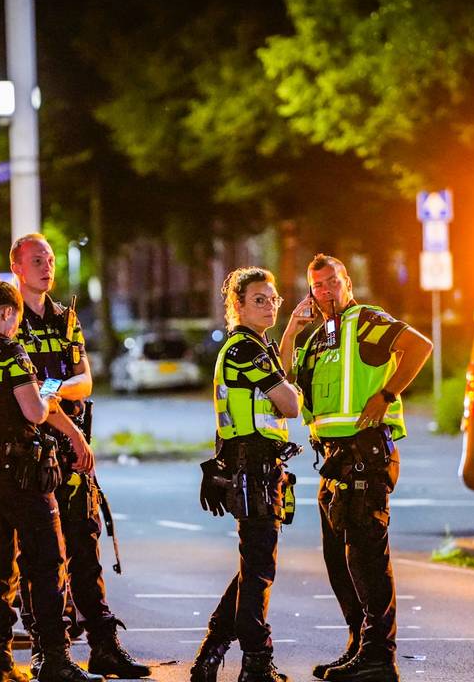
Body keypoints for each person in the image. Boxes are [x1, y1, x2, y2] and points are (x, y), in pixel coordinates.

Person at [278, 255, 432, 682]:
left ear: (347, 282)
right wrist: (292, 329)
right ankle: (358, 645)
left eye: (332, 283)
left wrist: (386, 394)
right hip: (332, 461)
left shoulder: (366, 319)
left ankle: (379, 656)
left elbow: (420, 346)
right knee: (338, 560)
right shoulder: (315, 339)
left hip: (366, 454)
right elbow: (284, 380)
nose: (325, 292)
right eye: (317, 286)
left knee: (365, 557)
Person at [0, 271, 102, 682]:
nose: (17, 326)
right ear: (5, 313)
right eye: (14, 319)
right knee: (46, 564)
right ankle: (54, 658)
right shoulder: (10, 354)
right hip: (20, 472)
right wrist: (49, 395)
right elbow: (35, 412)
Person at [9, 233, 151, 679]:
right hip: (33, 457)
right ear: (16, 267)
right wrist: (52, 399)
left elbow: (84, 381)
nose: (46, 266)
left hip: (71, 455)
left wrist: (54, 390)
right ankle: (48, 650)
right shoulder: (9, 321)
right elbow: (22, 399)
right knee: (41, 559)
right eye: (36, 259)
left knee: (85, 550)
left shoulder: (65, 319)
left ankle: (104, 647)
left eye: (49, 258)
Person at [191, 266, 300, 682]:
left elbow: (279, 388)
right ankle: (254, 660)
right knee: (258, 568)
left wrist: (288, 337)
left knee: (253, 564)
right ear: (237, 305)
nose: (270, 305)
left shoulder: (254, 346)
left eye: (274, 298)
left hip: (252, 463)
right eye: (259, 299)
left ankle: (212, 653)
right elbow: (289, 404)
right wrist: (293, 394)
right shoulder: (246, 350)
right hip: (252, 464)